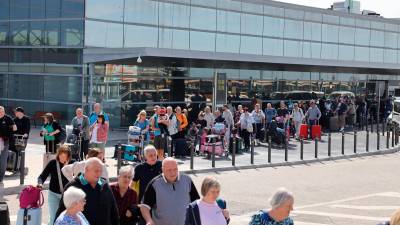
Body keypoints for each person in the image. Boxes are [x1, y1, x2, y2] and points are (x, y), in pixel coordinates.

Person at [55, 157, 119, 225]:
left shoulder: (104, 185)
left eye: (101, 171)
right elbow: (62, 212)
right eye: (96, 171)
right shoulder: (73, 186)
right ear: (86, 169)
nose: (99, 173)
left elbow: (113, 210)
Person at [140, 157, 200, 225]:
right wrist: (149, 221)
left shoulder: (187, 180)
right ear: (162, 169)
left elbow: (197, 202)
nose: (173, 173)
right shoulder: (154, 184)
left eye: (175, 169)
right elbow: (144, 206)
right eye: (169, 170)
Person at [38, 145, 74, 225]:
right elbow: (42, 176)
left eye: (65, 156)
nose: (62, 158)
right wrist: (40, 183)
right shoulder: (53, 163)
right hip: (53, 194)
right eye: (61, 155)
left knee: (67, 218)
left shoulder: (72, 164)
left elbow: (77, 178)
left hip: (67, 195)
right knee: (54, 217)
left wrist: (67, 168)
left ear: (68, 156)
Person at [131, 145, 162, 225]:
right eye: (150, 155)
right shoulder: (139, 168)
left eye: (155, 154)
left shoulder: (162, 165)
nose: (153, 157)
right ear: (145, 156)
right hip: (144, 202)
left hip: (160, 201)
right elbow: (132, 184)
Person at [0, 106, 17, 189]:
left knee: (3, 160)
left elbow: (14, 127)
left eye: (2, 111)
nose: (1, 113)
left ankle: (1, 178)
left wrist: (12, 127)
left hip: (5, 141)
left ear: (4, 112)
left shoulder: (8, 118)